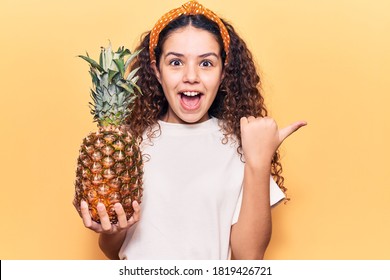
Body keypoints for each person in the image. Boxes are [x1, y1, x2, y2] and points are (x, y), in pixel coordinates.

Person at [77, 0, 306, 260]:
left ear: (223, 73)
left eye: (206, 63)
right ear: (157, 71)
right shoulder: (127, 145)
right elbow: (112, 248)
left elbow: (248, 258)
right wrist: (111, 230)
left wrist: (259, 160)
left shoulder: (241, 144)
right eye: (176, 62)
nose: (191, 76)